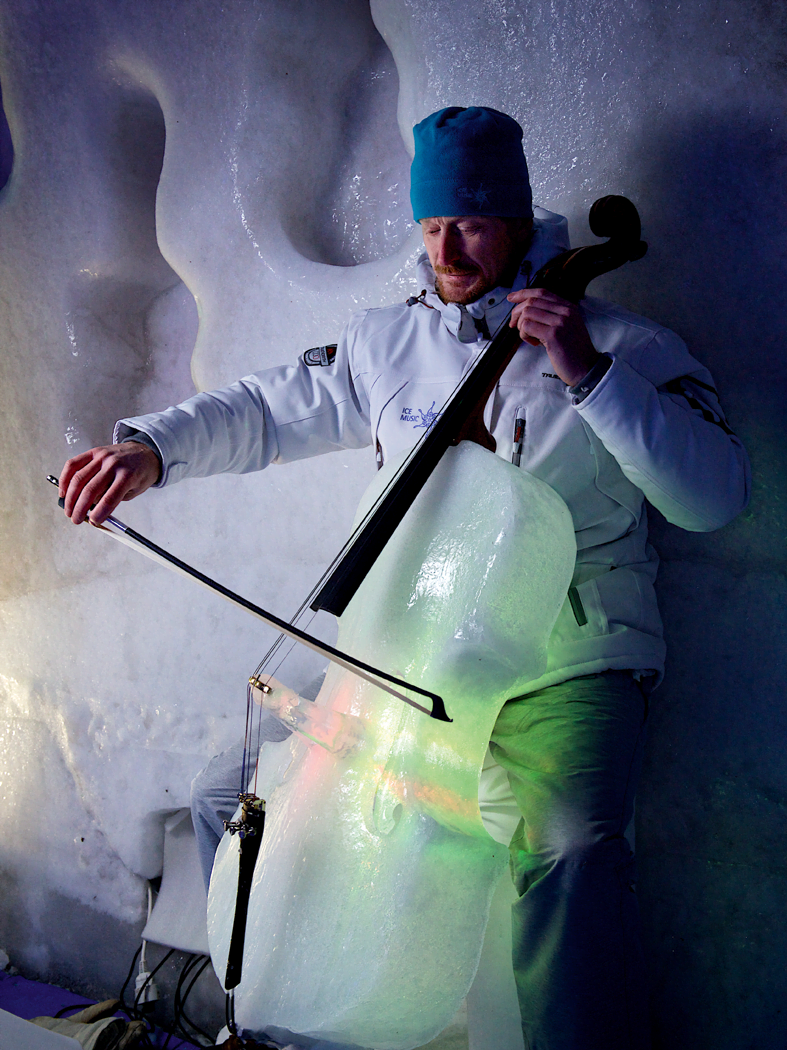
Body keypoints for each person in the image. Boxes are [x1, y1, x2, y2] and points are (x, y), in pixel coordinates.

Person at [59, 107, 750, 1050]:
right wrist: (152, 450)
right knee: (238, 799)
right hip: (410, 653)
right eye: (429, 227)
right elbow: (270, 407)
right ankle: (276, 1016)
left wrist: (586, 377)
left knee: (573, 853)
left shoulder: (626, 346)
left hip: (567, 665)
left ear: (512, 217)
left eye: (466, 223)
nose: (445, 248)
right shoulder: (389, 342)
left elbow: (710, 496)